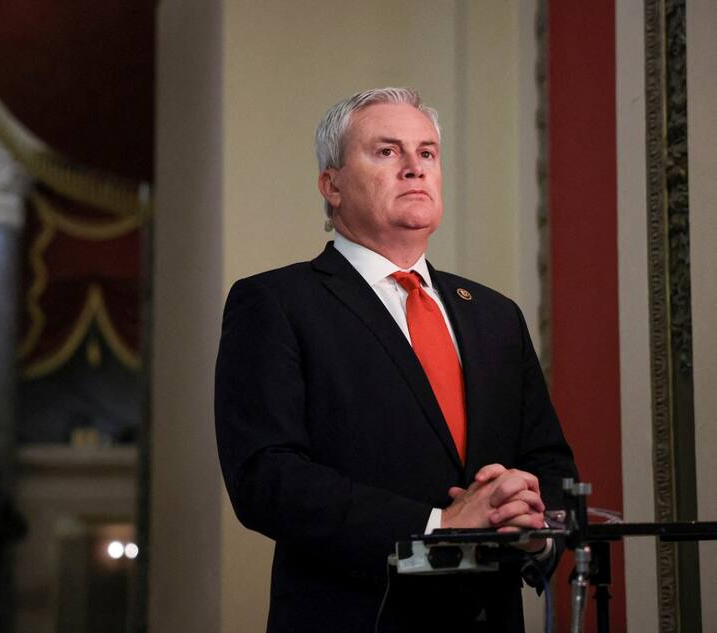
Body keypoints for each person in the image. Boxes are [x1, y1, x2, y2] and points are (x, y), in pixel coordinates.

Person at [214, 87, 577, 632]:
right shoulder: (277, 303)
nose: (414, 168)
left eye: (427, 153)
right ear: (331, 185)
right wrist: (438, 525)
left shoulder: (495, 315)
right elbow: (266, 478)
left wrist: (530, 523)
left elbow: (550, 466)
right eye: (387, 152)